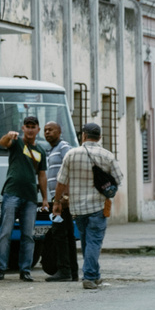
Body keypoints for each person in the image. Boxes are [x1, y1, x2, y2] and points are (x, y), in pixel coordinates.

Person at [52, 122, 124, 289]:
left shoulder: (71, 154)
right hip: (98, 206)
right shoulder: (107, 155)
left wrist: (57, 202)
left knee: (87, 241)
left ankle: (95, 274)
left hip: (77, 208)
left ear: (83, 136)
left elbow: (61, 182)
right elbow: (119, 179)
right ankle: (90, 276)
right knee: (94, 242)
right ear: (99, 137)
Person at [0, 115, 49, 282]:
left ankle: (25, 270)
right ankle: (0, 269)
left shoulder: (40, 151)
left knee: (28, 235)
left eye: (33, 126)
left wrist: (45, 198)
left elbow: (42, 175)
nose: (30, 129)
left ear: (37, 130)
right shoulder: (17, 143)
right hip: (12, 193)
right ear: (23, 128)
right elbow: (3, 143)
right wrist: (8, 135)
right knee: (5, 232)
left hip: (31, 197)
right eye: (27, 126)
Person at [43, 121, 78, 282]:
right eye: (45, 130)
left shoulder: (64, 147)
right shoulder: (51, 151)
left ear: (59, 131)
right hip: (55, 200)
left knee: (60, 234)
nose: (47, 132)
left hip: (62, 201)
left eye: (51, 130)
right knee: (67, 234)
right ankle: (72, 271)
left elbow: (71, 169)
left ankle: (64, 270)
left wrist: (65, 196)